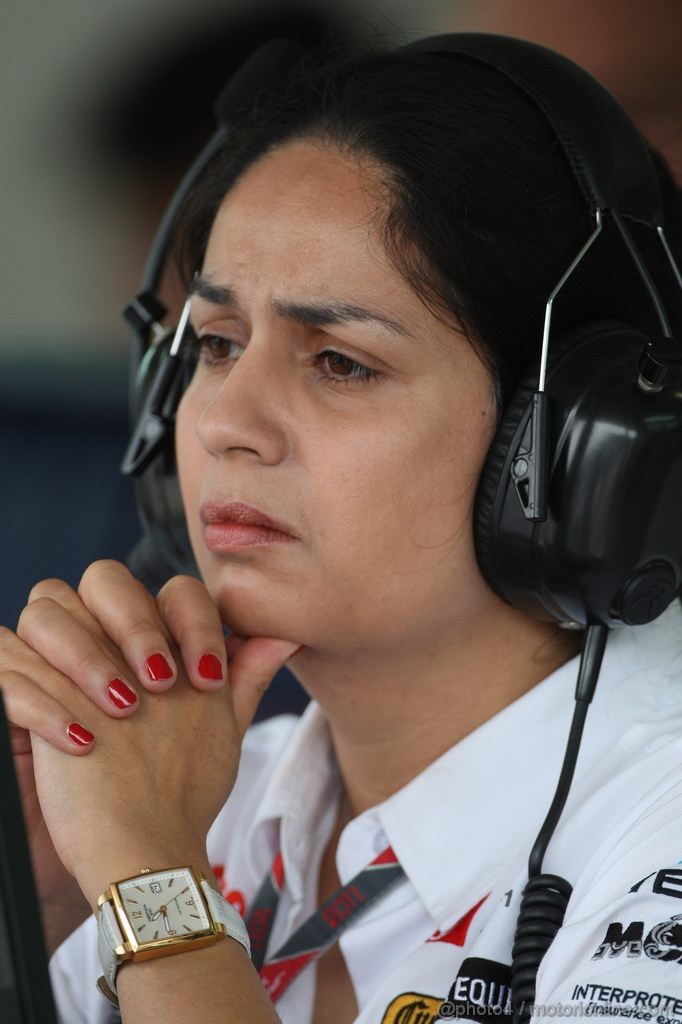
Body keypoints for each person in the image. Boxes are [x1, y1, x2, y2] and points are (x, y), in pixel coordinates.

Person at [1, 37, 681, 1024]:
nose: (229, 420)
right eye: (217, 344)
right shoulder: (187, 793)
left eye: (340, 364)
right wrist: (41, 910)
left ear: (571, 448)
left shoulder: (655, 834)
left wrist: (156, 887)